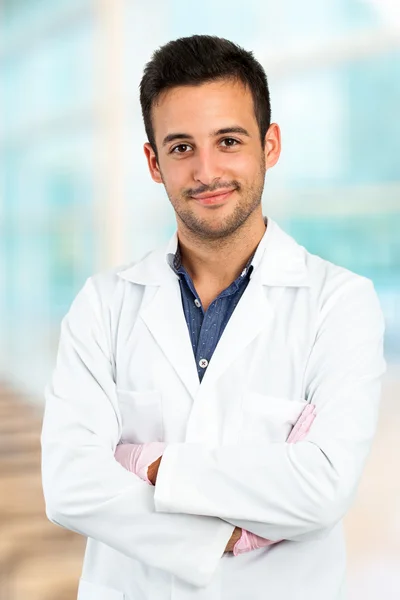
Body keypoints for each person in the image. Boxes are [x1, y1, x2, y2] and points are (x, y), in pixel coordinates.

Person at [41, 35, 386, 600]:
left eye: (228, 140)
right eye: (181, 147)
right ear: (154, 163)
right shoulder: (103, 304)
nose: (207, 171)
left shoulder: (340, 303)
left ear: (269, 145)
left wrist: (151, 465)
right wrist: (222, 534)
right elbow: (70, 485)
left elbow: (322, 486)